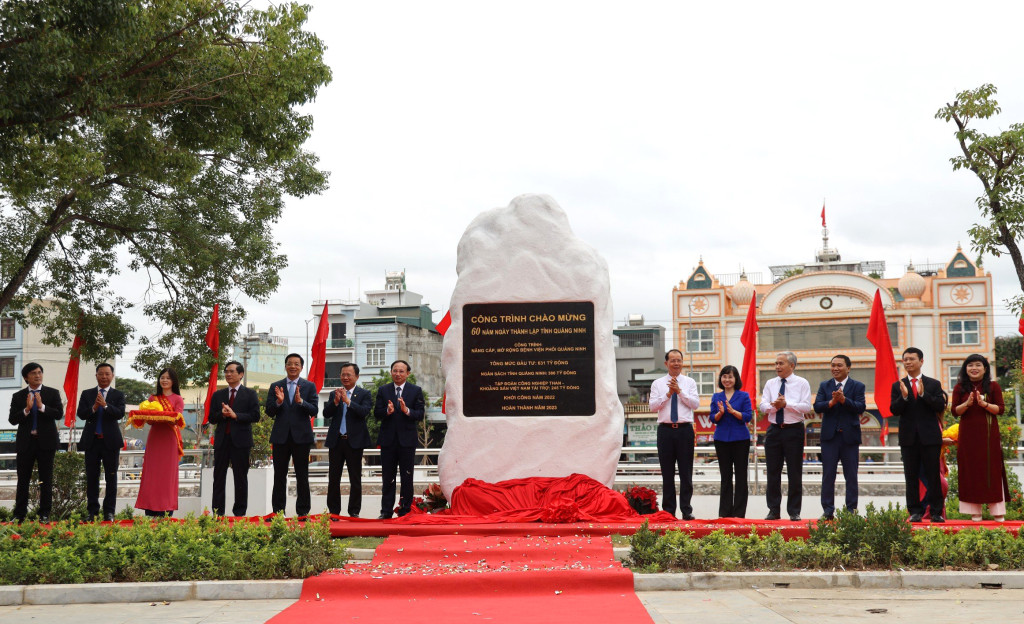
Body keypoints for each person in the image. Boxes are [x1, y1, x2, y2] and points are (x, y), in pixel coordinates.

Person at [890, 347, 947, 523]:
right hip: (908, 438)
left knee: (933, 476)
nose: (908, 362)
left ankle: (936, 512)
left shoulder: (933, 384)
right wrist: (904, 397)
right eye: (905, 359)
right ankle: (915, 511)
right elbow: (894, 410)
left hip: (930, 437)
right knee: (911, 476)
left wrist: (923, 394)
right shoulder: (898, 385)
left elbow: (940, 405)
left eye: (912, 359)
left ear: (921, 361)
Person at [952, 354, 1008, 521]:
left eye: (978, 365)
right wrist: (967, 404)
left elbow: (1000, 409)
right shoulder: (960, 388)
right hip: (968, 436)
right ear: (965, 369)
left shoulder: (993, 386)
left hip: (989, 436)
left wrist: (984, 404)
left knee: (992, 469)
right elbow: (955, 411)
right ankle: (974, 511)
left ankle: (997, 510)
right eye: (970, 365)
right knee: (970, 469)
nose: (974, 368)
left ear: (985, 369)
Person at [759, 351, 812, 521]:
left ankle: (794, 511)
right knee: (772, 472)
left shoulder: (802, 383)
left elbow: (806, 407)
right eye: (776, 363)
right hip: (774, 430)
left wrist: (786, 404)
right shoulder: (770, 383)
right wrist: (775, 406)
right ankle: (773, 510)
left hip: (793, 430)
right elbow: (762, 406)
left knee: (794, 472)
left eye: (781, 363)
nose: (777, 366)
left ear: (792, 365)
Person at [813, 354, 866, 520]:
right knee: (828, 475)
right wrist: (831, 403)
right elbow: (817, 406)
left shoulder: (858, 386)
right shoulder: (824, 385)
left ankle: (851, 511)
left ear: (848, 368)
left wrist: (843, 400)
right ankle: (828, 511)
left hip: (849, 438)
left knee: (851, 476)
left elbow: (860, 407)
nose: (835, 368)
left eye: (839, 365)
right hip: (830, 438)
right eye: (833, 365)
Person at [8, 362, 63, 523]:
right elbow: (12, 420)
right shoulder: (18, 396)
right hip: (26, 443)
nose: (37, 375)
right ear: (26, 377)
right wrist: (26, 409)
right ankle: (19, 514)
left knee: (46, 480)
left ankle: (44, 514)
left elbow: (58, 414)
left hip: (46, 443)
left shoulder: (52, 393)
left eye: (39, 372)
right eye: (33, 373)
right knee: (23, 480)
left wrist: (41, 406)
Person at [649, 349, 700, 520]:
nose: (676, 363)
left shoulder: (689, 382)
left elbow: (695, 404)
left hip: (685, 430)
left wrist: (679, 392)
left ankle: (686, 510)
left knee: (686, 472)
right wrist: (668, 394)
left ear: (682, 363)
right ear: (666, 363)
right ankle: (669, 510)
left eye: (679, 360)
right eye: (673, 360)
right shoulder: (657, 384)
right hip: (665, 431)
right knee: (667, 473)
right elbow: (653, 407)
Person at [266, 353, 319, 516]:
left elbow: (314, 410)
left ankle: (303, 512)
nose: (293, 366)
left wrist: (301, 402)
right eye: (290, 363)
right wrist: (279, 402)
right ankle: (278, 512)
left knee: (302, 475)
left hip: (301, 437)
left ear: (301, 367)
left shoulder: (309, 386)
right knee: (279, 476)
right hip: (280, 437)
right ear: (285, 366)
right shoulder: (276, 386)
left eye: (296, 364)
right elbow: (269, 411)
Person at [207, 360, 261, 517]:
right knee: (218, 477)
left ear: (241, 374)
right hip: (222, 441)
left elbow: (255, 416)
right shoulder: (218, 395)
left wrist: (235, 415)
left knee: (241, 478)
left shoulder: (250, 394)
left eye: (232, 371)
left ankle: (239, 513)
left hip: (241, 442)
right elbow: (211, 418)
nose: (228, 374)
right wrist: (223, 415)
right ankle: (218, 513)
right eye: (226, 371)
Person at [375, 359, 425, 519]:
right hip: (388, 441)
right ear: (391, 372)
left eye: (401, 371)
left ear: (407, 373)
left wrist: (406, 410)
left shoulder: (415, 390)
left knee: (407, 477)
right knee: (387, 478)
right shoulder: (383, 390)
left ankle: (405, 510)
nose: (397, 374)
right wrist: (387, 411)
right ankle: (386, 511)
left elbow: (420, 414)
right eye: (395, 371)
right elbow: (376, 413)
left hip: (407, 441)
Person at [77, 363, 126, 522]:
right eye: (101, 374)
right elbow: (81, 414)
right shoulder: (87, 394)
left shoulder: (118, 395)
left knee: (111, 478)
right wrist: (94, 407)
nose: (104, 377)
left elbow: (120, 413)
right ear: (96, 375)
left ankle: (109, 512)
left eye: (107, 374)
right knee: (92, 478)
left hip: (110, 442)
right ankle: (92, 512)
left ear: (112, 376)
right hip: (92, 442)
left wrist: (105, 406)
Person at [323, 363, 373, 517]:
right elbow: (326, 413)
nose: (345, 377)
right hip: (336, 441)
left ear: (356, 377)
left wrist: (348, 401)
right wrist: (336, 402)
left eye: (348, 375)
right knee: (333, 479)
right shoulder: (334, 393)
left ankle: (354, 512)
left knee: (355, 479)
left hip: (354, 442)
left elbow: (364, 412)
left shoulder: (364, 393)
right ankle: (334, 512)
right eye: (343, 374)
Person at [135, 367, 185, 517]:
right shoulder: (152, 398)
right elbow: (150, 421)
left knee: (167, 475)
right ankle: (150, 509)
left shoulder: (178, 399)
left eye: (168, 378)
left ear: (173, 381)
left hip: (170, 438)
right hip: (155, 438)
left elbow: (177, 418)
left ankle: (167, 509)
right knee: (152, 474)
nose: (164, 380)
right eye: (162, 377)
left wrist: (164, 415)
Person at [709, 365, 753, 518]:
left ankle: (739, 513)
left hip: (741, 439)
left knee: (741, 476)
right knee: (725, 476)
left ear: (736, 379)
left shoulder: (744, 396)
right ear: (721, 379)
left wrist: (733, 411)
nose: (727, 379)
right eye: (724, 376)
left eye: (730, 377)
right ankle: (725, 512)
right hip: (721, 439)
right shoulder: (716, 397)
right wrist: (720, 413)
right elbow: (712, 418)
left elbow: (748, 416)